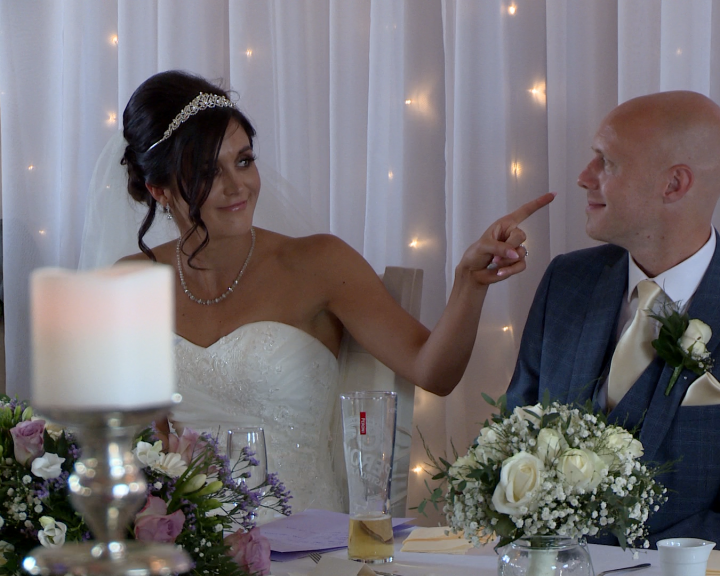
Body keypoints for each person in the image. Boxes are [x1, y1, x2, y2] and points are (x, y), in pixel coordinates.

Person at [115, 70, 553, 513]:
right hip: (180, 543)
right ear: (159, 189)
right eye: (209, 172)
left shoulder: (319, 264)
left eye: (244, 160)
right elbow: (115, 438)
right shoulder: (127, 286)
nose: (237, 186)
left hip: (305, 545)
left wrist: (469, 283)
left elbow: (434, 372)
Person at [505, 91, 720, 550]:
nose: (583, 177)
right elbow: (510, 441)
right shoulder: (566, 282)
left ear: (674, 185)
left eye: (606, 162)